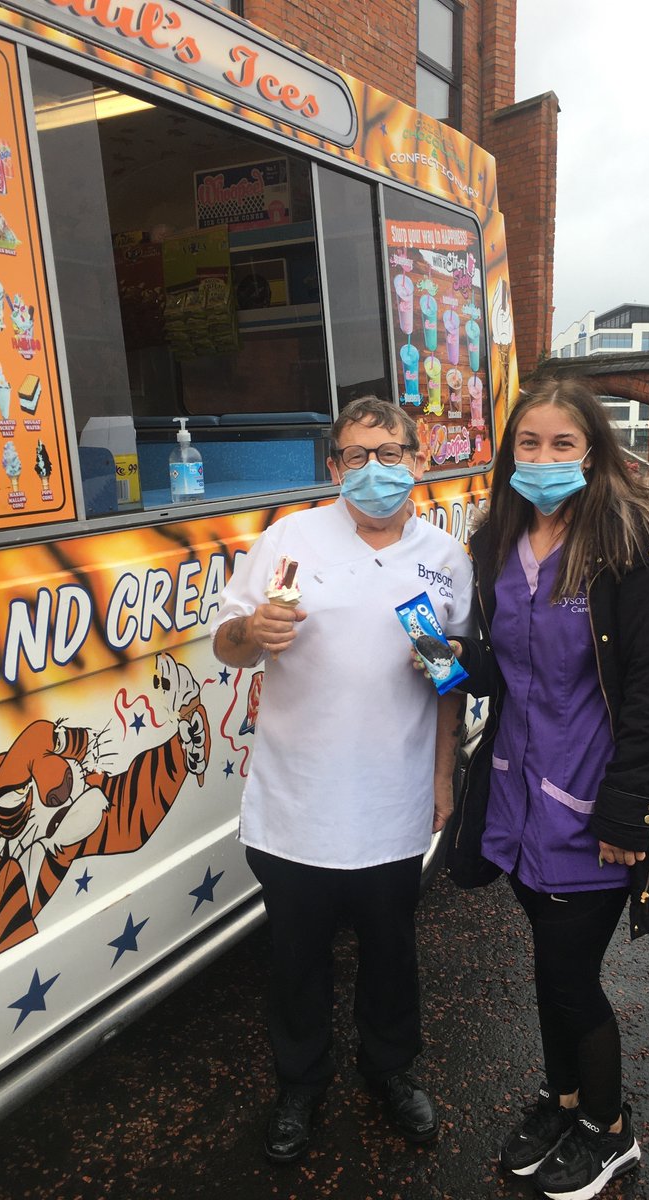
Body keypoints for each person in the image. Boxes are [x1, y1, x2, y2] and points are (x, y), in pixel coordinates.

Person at [446, 379, 649, 1200]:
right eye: (527, 444)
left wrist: (627, 810)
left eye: (561, 444)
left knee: (572, 976)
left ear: (594, 452)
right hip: (516, 791)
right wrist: (449, 662)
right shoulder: (496, 541)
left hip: (593, 795)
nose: (541, 459)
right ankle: (563, 1098)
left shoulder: (629, 545)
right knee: (550, 965)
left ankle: (610, 1132)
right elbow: (506, 666)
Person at [210, 395, 472, 1164]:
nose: (375, 470)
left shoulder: (444, 557)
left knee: (392, 952)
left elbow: (447, 680)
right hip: (298, 800)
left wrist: (444, 777)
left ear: (419, 462)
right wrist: (250, 634)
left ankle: (390, 1071)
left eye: (391, 453)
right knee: (296, 957)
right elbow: (227, 643)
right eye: (357, 456)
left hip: (392, 799)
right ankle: (300, 1083)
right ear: (334, 467)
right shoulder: (289, 540)